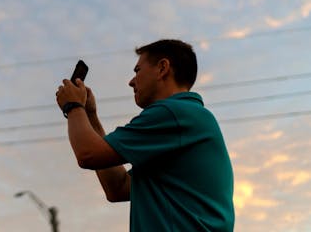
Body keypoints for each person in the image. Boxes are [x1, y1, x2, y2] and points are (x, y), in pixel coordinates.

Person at [55, 39, 234, 231]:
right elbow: (118, 187)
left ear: (162, 68)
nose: (131, 81)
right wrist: (90, 115)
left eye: (137, 71)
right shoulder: (185, 119)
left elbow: (88, 154)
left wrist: (73, 106)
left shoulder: (173, 113)